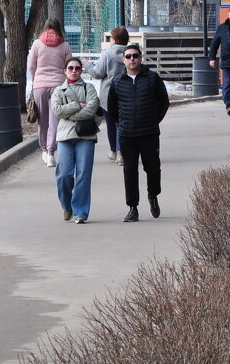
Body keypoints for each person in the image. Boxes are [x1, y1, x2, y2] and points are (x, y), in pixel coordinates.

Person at [108, 43, 169, 222]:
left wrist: (153, 119)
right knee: (130, 171)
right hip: (127, 134)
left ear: (140, 58)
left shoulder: (152, 78)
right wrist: (124, 122)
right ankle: (132, 207)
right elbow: (112, 108)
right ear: (123, 60)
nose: (132, 59)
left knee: (152, 168)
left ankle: (153, 196)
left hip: (149, 132)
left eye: (135, 56)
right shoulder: (118, 81)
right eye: (128, 57)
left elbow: (163, 102)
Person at [50, 57, 100, 224]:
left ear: (81, 70)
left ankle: (80, 211)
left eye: (77, 68)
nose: (74, 70)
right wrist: (77, 105)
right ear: (65, 70)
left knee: (83, 174)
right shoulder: (59, 91)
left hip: (86, 135)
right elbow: (57, 111)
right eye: (70, 68)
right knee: (63, 174)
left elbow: (92, 109)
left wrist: (71, 113)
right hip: (65, 136)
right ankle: (67, 206)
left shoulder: (89, 88)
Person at [27, 16, 73, 167]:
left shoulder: (37, 44)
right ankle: (52, 152)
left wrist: (36, 80)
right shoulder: (64, 45)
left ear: (45, 27)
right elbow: (70, 67)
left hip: (40, 85)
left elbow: (31, 66)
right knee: (55, 121)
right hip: (58, 85)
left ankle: (44, 149)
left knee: (42, 120)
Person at [85, 25, 128, 165]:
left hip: (108, 94)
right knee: (122, 123)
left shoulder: (107, 53)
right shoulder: (130, 53)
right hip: (126, 93)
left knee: (111, 124)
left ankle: (114, 151)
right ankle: (122, 151)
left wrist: (87, 65)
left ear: (114, 39)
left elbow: (98, 73)